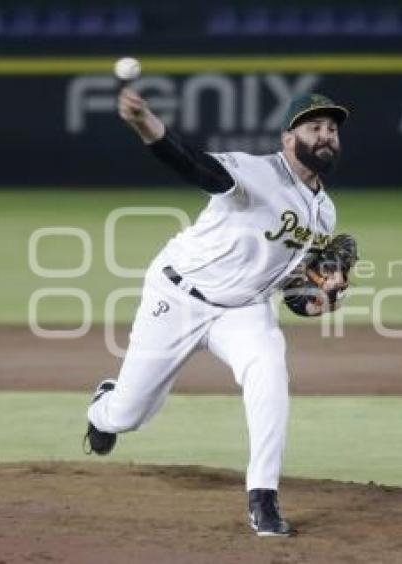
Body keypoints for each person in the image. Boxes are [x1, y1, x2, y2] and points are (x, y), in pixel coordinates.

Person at [82, 88, 349, 537]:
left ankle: (263, 497)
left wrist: (322, 290)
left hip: (243, 310)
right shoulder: (254, 172)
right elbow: (191, 163)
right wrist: (145, 122)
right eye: (314, 127)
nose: (326, 135)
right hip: (179, 297)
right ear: (288, 138)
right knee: (127, 414)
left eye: (332, 129)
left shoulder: (325, 213)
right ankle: (102, 408)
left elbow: (290, 282)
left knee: (269, 373)